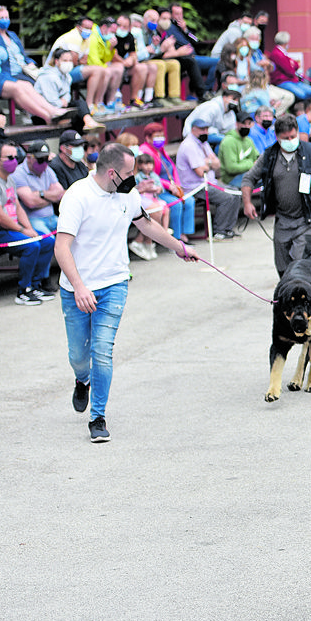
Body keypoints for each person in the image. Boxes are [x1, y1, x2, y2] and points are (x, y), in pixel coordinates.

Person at [56, 143, 198, 442]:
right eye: (129, 173)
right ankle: (82, 379)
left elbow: (146, 225)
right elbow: (61, 247)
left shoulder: (128, 194)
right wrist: (80, 287)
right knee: (79, 356)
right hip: (76, 290)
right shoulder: (77, 197)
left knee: (102, 351)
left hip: (115, 283)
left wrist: (179, 248)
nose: (134, 179)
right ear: (111, 173)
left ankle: (98, 417)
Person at [240, 113, 311, 276]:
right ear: (277, 137)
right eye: (285, 138)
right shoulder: (269, 155)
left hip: (306, 218)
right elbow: (248, 179)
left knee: (300, 262)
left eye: (293, 136)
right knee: (282, 265)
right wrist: (247, 203)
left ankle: (305, 295)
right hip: (282, 220)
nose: (290, 140)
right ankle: (287, 296)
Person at [0, 141, 56, 305]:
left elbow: (17, 207)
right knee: (32, 245)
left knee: (46, 241)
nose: (14, 161)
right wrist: (23, 230)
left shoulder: (9, 179)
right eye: (9, 157)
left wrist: (29, 229)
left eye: (16, 157)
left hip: (9, 228)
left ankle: (36, 284)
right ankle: (23, 290)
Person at [0, 23, 75, 124]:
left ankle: (53, 111)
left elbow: (4, 54)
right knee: (17, 89)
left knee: (27, 85)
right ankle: (47, 116)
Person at [176, 118, 241, 240]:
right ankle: (218, 231)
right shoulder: (189, 145)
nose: (205, 132)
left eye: (206, 129)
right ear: (193, 129)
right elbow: (200, 172)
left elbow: (218, 165)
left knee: (235, 192)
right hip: (195, 186)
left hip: (211, 182)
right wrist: (210, 163)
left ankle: (227, 229)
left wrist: (207, 163)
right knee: (226, 198)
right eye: (202, 129)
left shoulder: (203, 143)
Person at [139, 123, 195, 242]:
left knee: (189, 201)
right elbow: (153, 176)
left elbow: (172, 168)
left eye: (162, 136)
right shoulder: (145, 151)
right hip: (158, 189)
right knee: (176, 204)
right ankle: (175, 238)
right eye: (157, 136)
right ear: (148, 138)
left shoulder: (160, 150)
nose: (160, 139)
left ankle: (186, 233)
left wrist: (177, 184)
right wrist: (169, 186)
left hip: (171, 187)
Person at [34, 48, 102, 132]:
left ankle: (88, 121)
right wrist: (61, 102)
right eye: (65, 60)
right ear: (56, 61)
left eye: (70, 60)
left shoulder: (67, 76)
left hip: (60, 109)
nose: (68, 63)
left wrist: (64, 101)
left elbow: (67, 96)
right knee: (76, 119)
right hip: (44, 113)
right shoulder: (48, 76)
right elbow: (51, 101)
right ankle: (85, 125)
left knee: (79, 104)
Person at [13, 140, 65, 235]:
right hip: (34, 220)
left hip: (52, 217)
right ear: (29, 157)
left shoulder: (48, 170)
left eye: (47, 159)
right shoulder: (18, 173)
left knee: (74, 234)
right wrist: (52, 198)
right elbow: (30, 202)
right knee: (50, 241)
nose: (44, 163)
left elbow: (61, 194)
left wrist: (41, 194)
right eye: (41, 159)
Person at [131, 152, 172, 260]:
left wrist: (157, 189)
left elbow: (160, 187)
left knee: (164, 208)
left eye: (150, 164)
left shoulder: (154, 176)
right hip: (143, 199)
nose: (148, 167)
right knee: (154, 213)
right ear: (139, 165)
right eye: (145, 164)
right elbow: (136, 189)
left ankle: (163, 231)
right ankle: (146, 242)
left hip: (153, 198)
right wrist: (143, 188)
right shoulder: (138, 177)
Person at [0, 6, 39, 84]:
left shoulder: (12, 34)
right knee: (33, 85)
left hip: (25, 70)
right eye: (2, 18)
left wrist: (30, 62)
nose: (5, 20)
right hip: (9, 74)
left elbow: (22, 54)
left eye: (7, 17)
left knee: (43, 81)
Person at [267, 31, 311, 101]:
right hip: (282, 81)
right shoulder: (277, 54)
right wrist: (292, 65)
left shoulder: (283, 53)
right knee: (302, 94)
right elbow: (289, 70)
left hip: (291, 80)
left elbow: (295, 64)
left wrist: (293, 65)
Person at [219, 111, 258, 186]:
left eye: (249, 124)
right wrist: (251, 164)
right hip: (231, 179)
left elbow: (256, 158)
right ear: (236, 124)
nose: (246, 126)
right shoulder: (228, 141)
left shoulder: (249, 140)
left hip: (246, 173)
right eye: (243, 123)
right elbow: (231, 168)